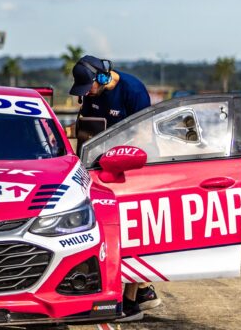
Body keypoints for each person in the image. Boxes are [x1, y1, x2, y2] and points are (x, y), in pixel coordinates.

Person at [68, 55, 156, 322]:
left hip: (130, 167)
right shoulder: (90, 94)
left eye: (90, 87)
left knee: (132, 233)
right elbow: (85, 129)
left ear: (103, 78)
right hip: (98, 168)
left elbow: (145, 135)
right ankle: (143, 291)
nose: (88, 94)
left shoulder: (133, 90)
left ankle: (131, 303)